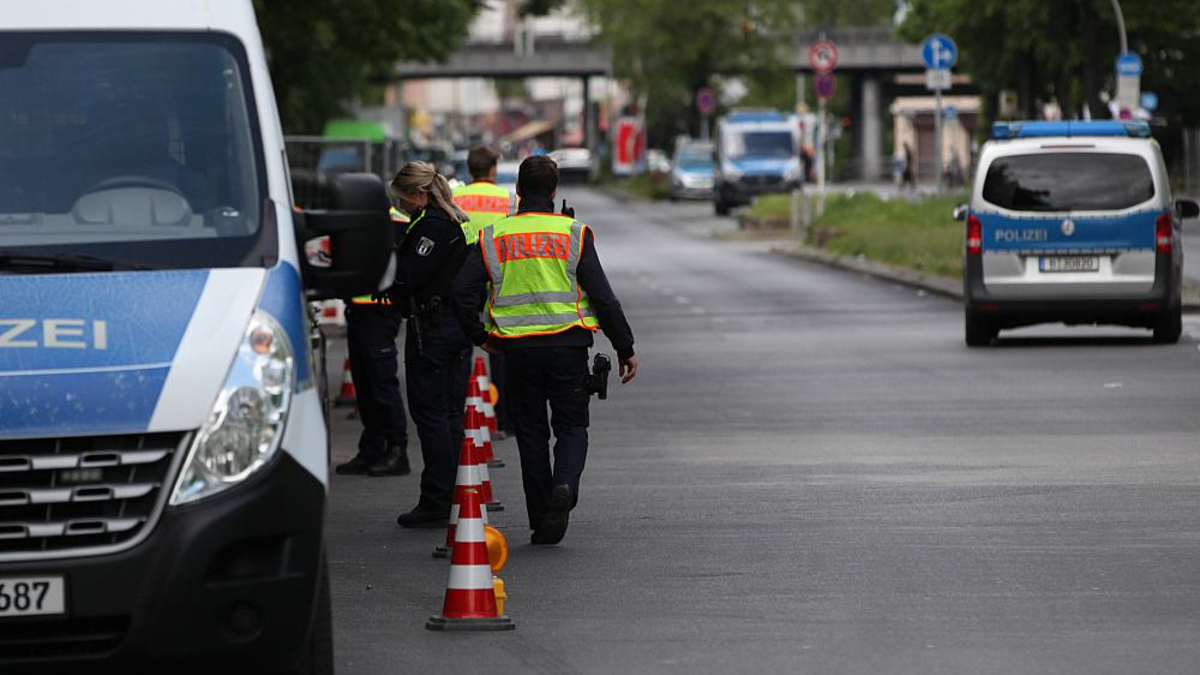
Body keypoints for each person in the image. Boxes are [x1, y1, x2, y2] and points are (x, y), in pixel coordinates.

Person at [452, 155, 638, 546]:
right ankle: (565, 485)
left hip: (517, 351)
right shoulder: (574, 233)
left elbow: (460, 292)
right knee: (571, 426)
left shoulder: (494, 236)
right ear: (554, 191)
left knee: (531, 433)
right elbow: (603, 298)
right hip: (567, 348)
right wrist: (624, 347)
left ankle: (541, 517)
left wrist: (479, 335)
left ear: (517, 191)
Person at [388, 162, 474, 528]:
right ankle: (451, 494)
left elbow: (409, 276)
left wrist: (388, 267)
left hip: (434, 329)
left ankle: (438, 499)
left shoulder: (433, 227)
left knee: (433, 415)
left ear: (419, 193)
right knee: (450, 414)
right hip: (454, 327)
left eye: (403, 197)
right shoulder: (454, 220)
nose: (401, 205)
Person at [334, 206, 412, 477]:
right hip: (359, 309)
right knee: (364, 384)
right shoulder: (356, 219)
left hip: (380, 311)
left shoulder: (395, 223)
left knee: (382, 383)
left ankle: (397, 450)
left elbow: (402, 266)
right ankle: (371, 449)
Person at [452, 146, 516, 438]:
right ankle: (504, 419)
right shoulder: (509, 199)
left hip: (463, 276)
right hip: (498, 278)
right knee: (499, 350)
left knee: (463, 343)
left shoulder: (455, 198)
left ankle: (463, 412)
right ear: (492, 169)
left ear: (470, 168)